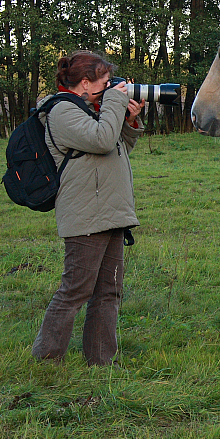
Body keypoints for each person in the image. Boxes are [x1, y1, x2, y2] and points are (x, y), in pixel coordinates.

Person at [31, 50, 144, 366]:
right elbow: (102, 140)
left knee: (109, 292)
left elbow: (116, 148)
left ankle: (102, 360)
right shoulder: (62, 111)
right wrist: (114, 104)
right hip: (85, 214)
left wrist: (129, 118)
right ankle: (46, 360)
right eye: (105, 82)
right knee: (74, 291)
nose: (111, 87)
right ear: (84, 82)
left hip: (109, 211)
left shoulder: (91, 109)